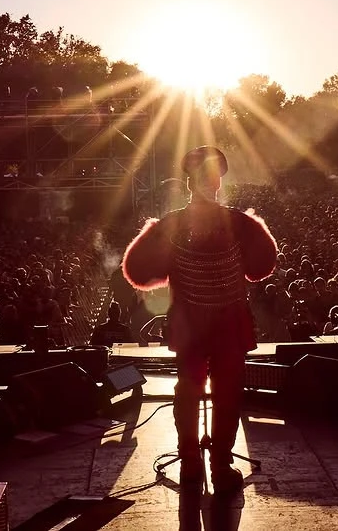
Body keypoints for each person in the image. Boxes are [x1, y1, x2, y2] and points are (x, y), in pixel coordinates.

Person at [122, 146, 278, 492]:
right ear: (218, 183)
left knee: (188, 391)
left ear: (188, 184)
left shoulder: (170, 225)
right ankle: (221, 465)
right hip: (228, 326)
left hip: (189, 327)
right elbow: (263, 266)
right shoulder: (241, 224)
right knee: (227, 394)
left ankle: (191, 463)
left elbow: (136, 269)